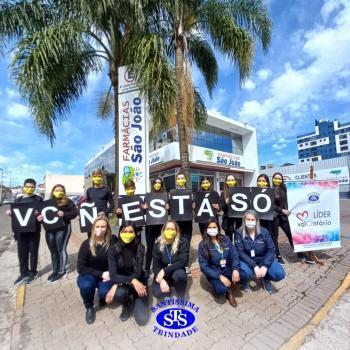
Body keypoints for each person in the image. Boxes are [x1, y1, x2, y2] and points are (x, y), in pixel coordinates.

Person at [106, 222, 149, 325]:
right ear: (120, 232)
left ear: (135, 233)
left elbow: (137, 272)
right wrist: (130, 281)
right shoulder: (113, 250)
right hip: (123, 283)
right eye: (124, 231)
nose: (127, 234)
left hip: (139, 281)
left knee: (142, 319)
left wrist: (135, 280)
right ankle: (126, 305)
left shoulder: (140, 248)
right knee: (120, 293)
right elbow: (113, 275)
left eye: (130, 232)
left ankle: (136, 298)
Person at [198, 219, 247, 307]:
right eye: (210, 227)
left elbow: (234, 254)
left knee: (243, 276)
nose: (212, 229)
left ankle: (230, 286)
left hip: (227, 268)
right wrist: (220, 277)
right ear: (206, 230)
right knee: (221, 290)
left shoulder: (226, 239)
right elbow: (204, 266)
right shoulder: (203, 244)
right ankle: (227, 292)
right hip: (214, 272)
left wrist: (235, 269)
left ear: (218, 228)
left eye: (214, 227)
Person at [77, 214, 116, 324]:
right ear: (93, 228)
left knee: (105, 293)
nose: (100, 229)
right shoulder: (86, 244)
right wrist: (100, 274)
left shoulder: (113, 241)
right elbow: (80, 268)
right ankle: (89, 306)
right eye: (97, 227)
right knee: (86, 286)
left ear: (107, 228)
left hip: (107, 275)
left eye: (103, 227)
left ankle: (102, 297)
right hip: (90, 275)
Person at [235, 210, 286, 294]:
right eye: (248, 219)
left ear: (257, 221)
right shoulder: (239, 232)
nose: (250, 222)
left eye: (252, 220)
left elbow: (271, 249)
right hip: (246, 260)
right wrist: (254, 266)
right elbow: (240, 252)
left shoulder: (264, 232)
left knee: (279, 274)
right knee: (244, 273)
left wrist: (265, 266)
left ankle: (265, 279)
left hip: (262, 260)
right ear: (244, 221)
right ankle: (246, 280)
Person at [6, 178, 43, 285]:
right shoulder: (19, 200)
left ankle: (33, 272)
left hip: (34, 231)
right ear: (24, 187)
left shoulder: (38, 199)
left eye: (32, 187)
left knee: (33, 252)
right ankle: (23, 273)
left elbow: (42, 213)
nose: (30, 189)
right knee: (22, 253)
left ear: (35, 188)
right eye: (27, 187)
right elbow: (16, 216)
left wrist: (40, 216)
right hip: (21, 232)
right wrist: (10, 214)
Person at [39, 184, 77, 283]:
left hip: (63, 228)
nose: (59, 192)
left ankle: (61, 271)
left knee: (61, 249)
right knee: (53, 250)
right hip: (50, 230)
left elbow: (75, 213)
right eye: (56, 190)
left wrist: (64, 214)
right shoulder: (47, 203)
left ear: (64, 192)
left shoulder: (68, 202)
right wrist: (39, 218)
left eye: (61, 190)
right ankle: (55, 270)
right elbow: (41, 214)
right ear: (53, 191)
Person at [152, 220, 189, 300]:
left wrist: (164, 270)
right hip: (164, 275)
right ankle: (167, 288)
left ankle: (181, 297)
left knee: (180, 276)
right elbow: (155, 266)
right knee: (156, 292)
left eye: (172, 229)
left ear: (176, 231)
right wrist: (161, 280)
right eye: (167, 229)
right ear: (163, 230)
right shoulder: (157, 244)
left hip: (176, 271)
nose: (169, 231)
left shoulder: (183, 242)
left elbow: (183, 262)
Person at [144, 177, 169, 277]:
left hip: (161, 226)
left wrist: (168, 207)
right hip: (150, 226)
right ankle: (147, 268)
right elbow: (143, 210)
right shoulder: (148, 196)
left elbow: (170, 211)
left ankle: (161, 266)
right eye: (156, 183)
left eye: (159, 183)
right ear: (153, 184)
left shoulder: (165, 195)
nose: (157, 184)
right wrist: (144, 208)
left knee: (161, 246)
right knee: (150, 248)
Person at [86, 169, 114, 237]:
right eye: (95, 176)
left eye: (99, 176)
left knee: (103, 236)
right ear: (92, 178)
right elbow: (87, 204)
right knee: (91, 237)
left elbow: (112, 204)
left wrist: (105, 212)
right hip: (91, 218)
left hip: (103, 217)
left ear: (102, 177)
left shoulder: (107, 190)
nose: (97, 178)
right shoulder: (89, 190)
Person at [172, 172, 193, 243]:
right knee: (176, 242)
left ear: (185, 180)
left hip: (187, 222)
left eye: (182, 178)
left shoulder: (190, 193)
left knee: (187, 242)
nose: (180, 180)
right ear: (176, 181)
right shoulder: (172, 193)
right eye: (178, 179)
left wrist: (194, 205)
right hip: (176, 222)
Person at [220, 174, 242, 241]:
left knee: (237, 239)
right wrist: (226, 203)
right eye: (229, 180)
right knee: (228, 240)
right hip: (227, 221)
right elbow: (222, 208)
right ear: (226, 182)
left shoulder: (240, 192)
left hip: (238, 221)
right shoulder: (223, 193)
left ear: (235, 181)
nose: (231, 182)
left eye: (232, 180)